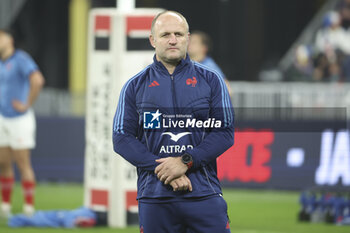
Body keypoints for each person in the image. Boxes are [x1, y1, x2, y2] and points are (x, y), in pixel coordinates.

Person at [113, 11, 234, 233]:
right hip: (155, 197)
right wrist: (165, 169)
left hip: (203, 194)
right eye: (165, 34)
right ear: (152, 40)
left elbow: (224, 133)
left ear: (187, 38)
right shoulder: (134, 86)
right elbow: (121, 138)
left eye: (178, 34)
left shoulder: (211, 80)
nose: (172, 40)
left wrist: (185, 162)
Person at [0, 29, 45, 217]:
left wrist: (27, 103)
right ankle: (6, 207)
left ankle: (28, 207)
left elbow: (37, 80)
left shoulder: (20, 59)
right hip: (2, 117)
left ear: (9, 39)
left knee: (22, 162)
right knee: (3, 163)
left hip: (19, 119)